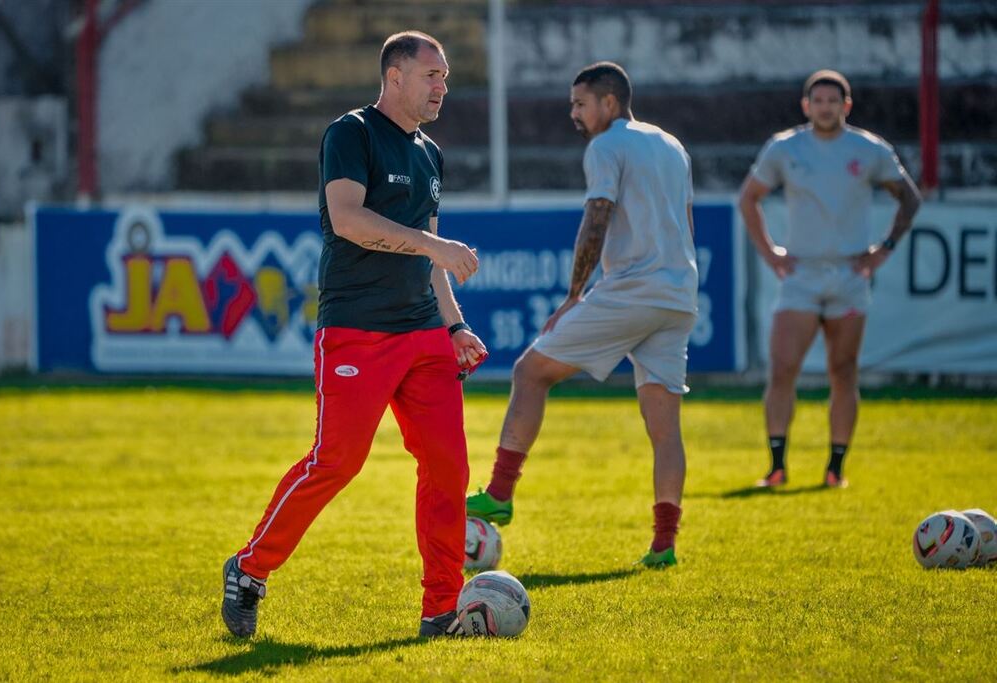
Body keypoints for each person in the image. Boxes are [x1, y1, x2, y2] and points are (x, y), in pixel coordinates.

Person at [220, 30, 487, 639]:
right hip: (356, 330)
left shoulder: (430, 152)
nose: (442, 86)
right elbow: (347, 220)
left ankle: (440, 609)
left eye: (444, 77)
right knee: (337, 461)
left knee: (448, 467)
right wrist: (432, 244)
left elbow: (432, 260)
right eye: (432, 76)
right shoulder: (352, 133)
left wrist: (454, 325)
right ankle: (250, 569)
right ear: (395, 76)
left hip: (423, 333)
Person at [466, 62, 698, 569]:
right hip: (678, 295)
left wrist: (575, 293)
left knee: (530, 371)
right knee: (664, 427)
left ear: (608, 104)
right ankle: (664, 546)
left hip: (631, 291)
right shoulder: (671, 144)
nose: (573, 113)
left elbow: (597, 216)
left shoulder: (607, 146)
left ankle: (500, 494)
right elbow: (685, 221)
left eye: (579, 103)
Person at [738, 69, 921, 489]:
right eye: (817, 100)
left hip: (850, 275)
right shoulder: (785, 148)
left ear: (847, 105)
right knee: (783, 369)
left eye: (833, 100)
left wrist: (885, 248)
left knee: (843, 370)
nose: (825, 107)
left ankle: (836, 468)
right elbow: (749, 198)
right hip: (800, 274)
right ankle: (777, 465)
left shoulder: (868, 149)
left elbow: (909, 197)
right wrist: (769, 253)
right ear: (806, 106)